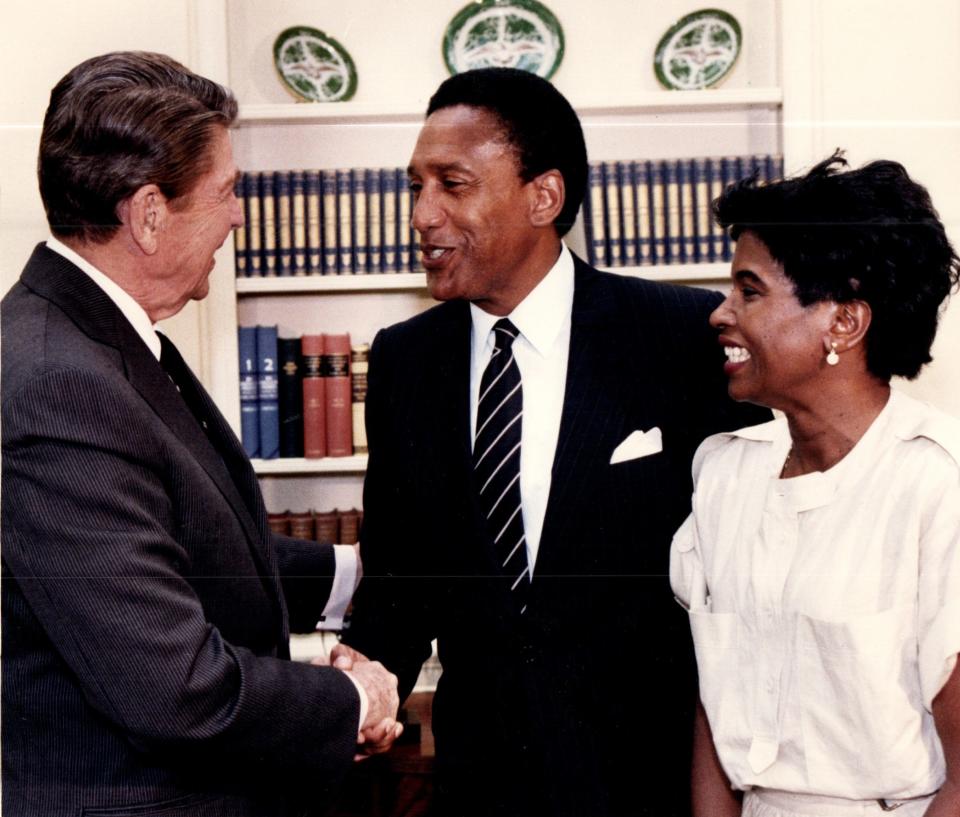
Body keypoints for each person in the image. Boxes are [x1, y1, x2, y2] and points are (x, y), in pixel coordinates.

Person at [334, 67, 769, 817]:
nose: (422, 214)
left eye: (452, 183)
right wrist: (359, 692)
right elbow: (399, 583)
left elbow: (750, 571)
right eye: (415, 186)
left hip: (656, 781)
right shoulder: (404, 361)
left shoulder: (682, 339)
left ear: (545, 196)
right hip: (480, 786)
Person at [1, 51, 401, 817]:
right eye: (227, 191)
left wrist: (353, 571)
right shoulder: (60, 383)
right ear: (150, 214)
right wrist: (352, 696)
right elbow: (173, 684)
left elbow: (182, 548)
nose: (239, 215)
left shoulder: (94, 339)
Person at [670, 154, 960, 817]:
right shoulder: (724, 472)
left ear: (844, 322)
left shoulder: (936, 483)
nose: (720, 313)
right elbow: (712, 715)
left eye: (749, 290)